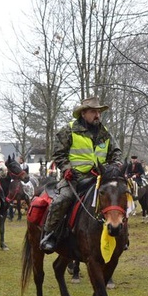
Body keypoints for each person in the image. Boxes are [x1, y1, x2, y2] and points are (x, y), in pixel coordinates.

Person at [40, 97, 122, 253]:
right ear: (83, 113)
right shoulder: (69, 130)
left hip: (100, 178)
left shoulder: (105, 133)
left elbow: (116, 152)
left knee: (119, 198)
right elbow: (58, 154)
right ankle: (50, 234)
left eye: (99, 112)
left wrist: (115, 166)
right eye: (93, 112)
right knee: (62, 199)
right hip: (75, 179)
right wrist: (66, 168)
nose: (97, 115)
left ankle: (122, 236)